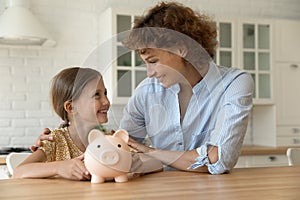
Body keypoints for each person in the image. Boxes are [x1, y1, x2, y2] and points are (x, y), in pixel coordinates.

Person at [33, 1, 253, 175]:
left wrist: (150, 151)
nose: (149, 73)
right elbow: (122, 147)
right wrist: (63, 138)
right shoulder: (147, 91)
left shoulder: (235, 84)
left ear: (180, 48)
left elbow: (219, 159)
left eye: (153, 60)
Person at [13, 67, 110, 180]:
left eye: (105, 93)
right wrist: (58, 167)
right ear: (71, 107)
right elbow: (18, 172)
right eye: (97, 95)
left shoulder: (108, 140)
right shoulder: (56, 140)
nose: (106, 101)